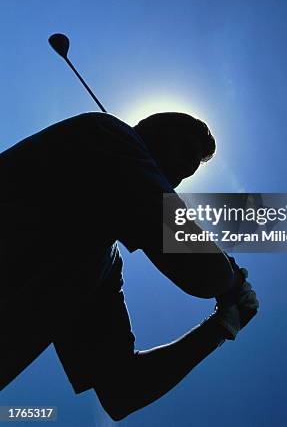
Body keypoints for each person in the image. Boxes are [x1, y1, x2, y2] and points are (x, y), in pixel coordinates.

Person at [0, 111, 258, 421]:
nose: (175, 177)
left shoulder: (101, 266)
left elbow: (121, 390)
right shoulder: (106, 134)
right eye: (183, 152)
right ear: (150, 129)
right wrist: (231, 281)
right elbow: (206, 273)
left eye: (185, 176)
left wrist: (222, 326)